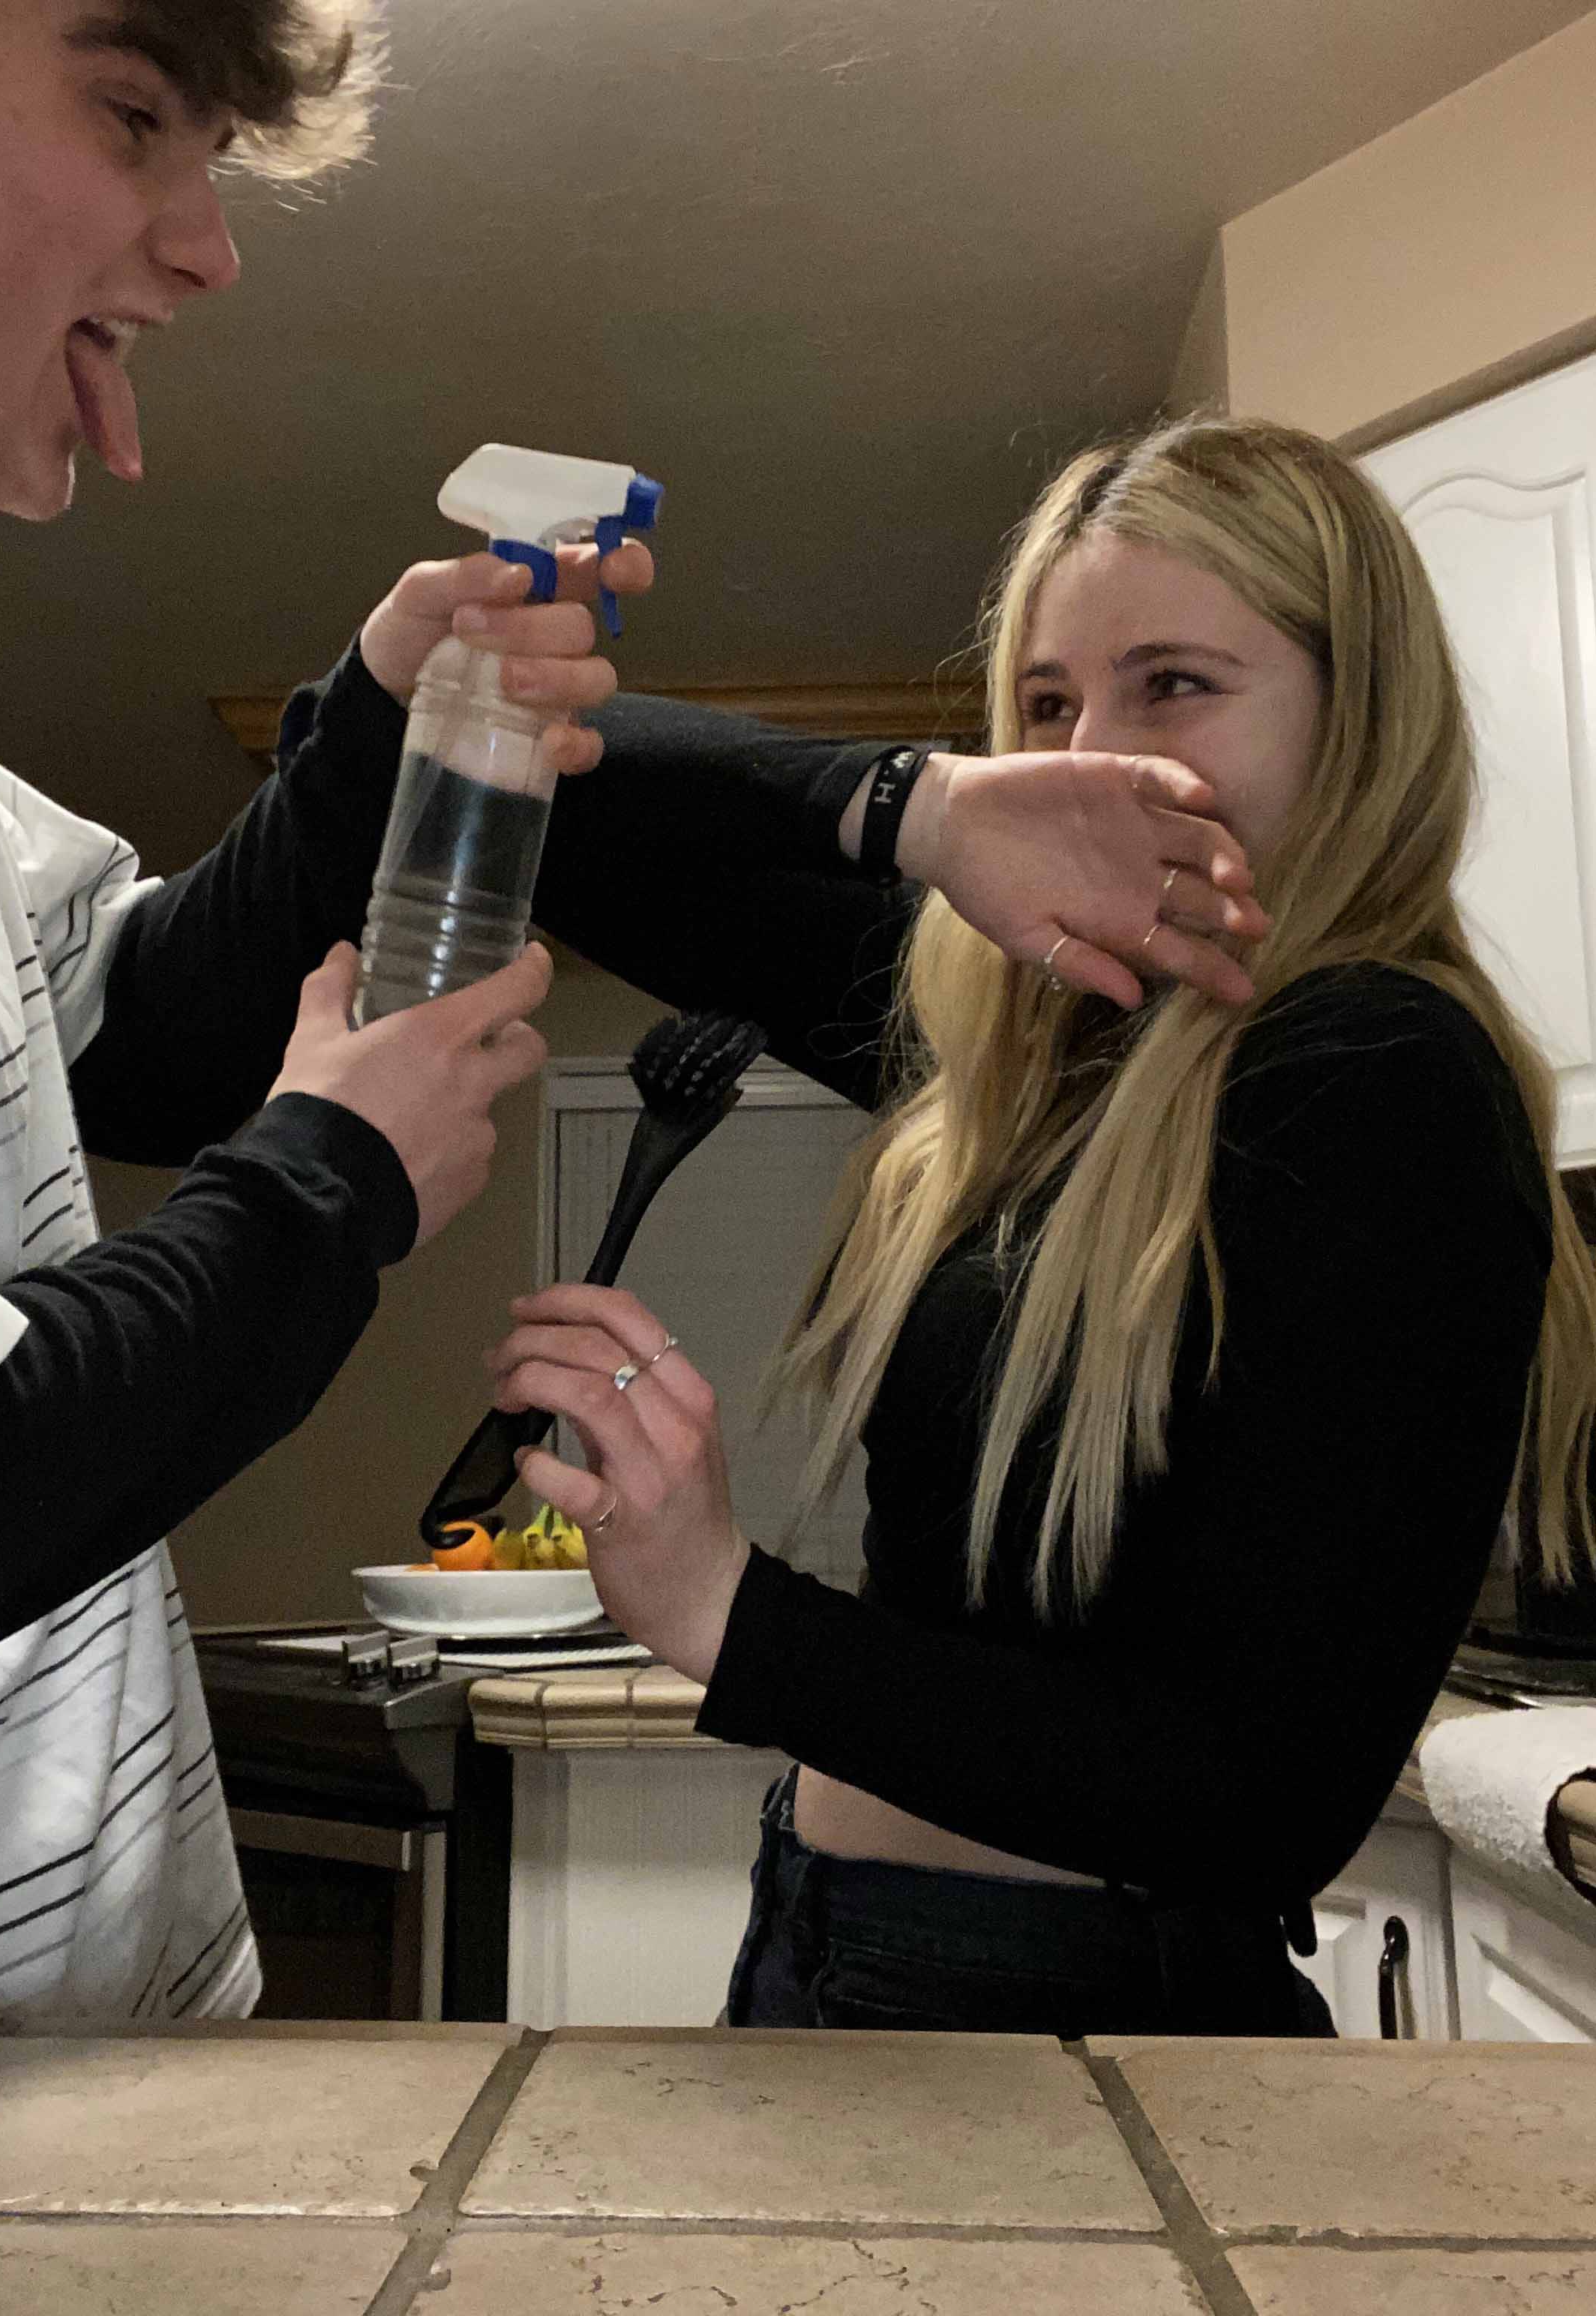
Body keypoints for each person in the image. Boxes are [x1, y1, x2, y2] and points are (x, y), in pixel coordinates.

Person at [478, 414, 1596, 2036]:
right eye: (1050, 706)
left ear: (1357, 715)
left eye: (1176, 684)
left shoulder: (1374, 1075)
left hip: (1073, 2008)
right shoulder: (1036, 1047)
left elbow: (1264, 1792)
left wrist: (732, 1608)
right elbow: (525, 788)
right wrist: (916, 804)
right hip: (845, 1939)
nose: (1091, 757)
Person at [0, 0, 657, 2038]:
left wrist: (382, 717)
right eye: (130, 114)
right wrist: (324, 1192)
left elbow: (138, 1028)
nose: (208, 249)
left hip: (35, 2081)